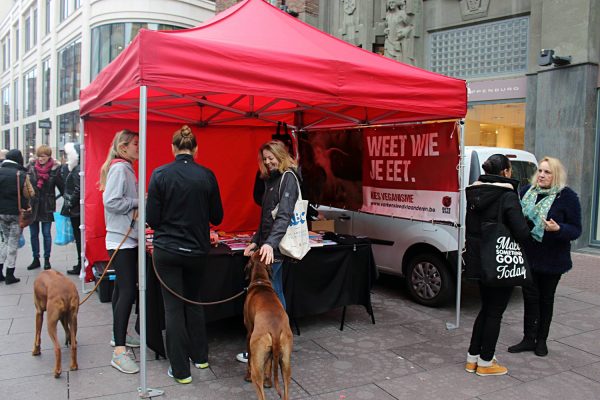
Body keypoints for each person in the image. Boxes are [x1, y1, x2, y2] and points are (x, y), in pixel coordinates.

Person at [146, 125, 224, 384]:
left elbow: (153, 220)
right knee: (194, 303)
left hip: (167, 251)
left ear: (173, 148)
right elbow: (217, 217)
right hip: (196, 251)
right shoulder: (207, 175)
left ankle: (180, 371)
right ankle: (200, 357)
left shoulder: (159, 174)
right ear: (196, 150)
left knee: (173, 309)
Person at [464, 154, 531, 376]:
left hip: (480, 260)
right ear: (505, 171)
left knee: (486, 309)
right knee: (495, 312)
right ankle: (485, 362)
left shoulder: (474, 193)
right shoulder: (507, 196)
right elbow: (521, 232)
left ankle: (472, 358)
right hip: (500, 261)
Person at [508, 157, 582, 357]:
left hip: (552, 260)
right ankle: (527, 338)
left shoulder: (567, 197)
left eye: (547, 172)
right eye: (540, 170)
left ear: (555, 175)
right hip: (527, 257)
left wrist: (559, 229)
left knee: (545, 300)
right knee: (530, 299)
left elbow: (576, 230)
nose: (541, 175)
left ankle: (541, 341)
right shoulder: (525, 192)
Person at [237, 140, 301, 364]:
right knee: (275, 292)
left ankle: (275, 341)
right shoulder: (272, 180)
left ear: (280, 154)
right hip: (269, 246)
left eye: (271, 157)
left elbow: (284, 216)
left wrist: (269, 244)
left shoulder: (288, 178)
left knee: (274, 295)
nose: (268, 161)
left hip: (277, 248)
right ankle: (278, 341)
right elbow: (266, 218)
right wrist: (256, 241)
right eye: (264, 159)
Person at [100, 129, 141, 374]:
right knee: (126, 291)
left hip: (122, 238)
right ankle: (119, 351)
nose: (139, 147)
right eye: (135, 144)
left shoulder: (123, 167)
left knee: (120, 290)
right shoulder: (120, 168)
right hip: (121, 240)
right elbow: (111, 201)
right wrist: (140, 202)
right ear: (123, 147)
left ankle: (120, 335)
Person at [26, 145, 64, 271]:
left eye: (43, 156)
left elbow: (62, 187)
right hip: (33, 206)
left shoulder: (54, 169)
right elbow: (24, 184)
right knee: (33, 234)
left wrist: (67, 202)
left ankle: (47, 259)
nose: (40, 158)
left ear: (49, 156)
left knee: (46, 234)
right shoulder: (31, 168)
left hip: (47, 206)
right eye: (39, 156)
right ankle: (35, 258)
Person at [0, 149, 35, 284]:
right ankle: (10, 274)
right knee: (13, 242)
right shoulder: (20, 174)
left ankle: (0, 272)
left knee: (4, 240)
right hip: (15, 213)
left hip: (1, 213)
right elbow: (29, 193)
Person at [62, 143, 82, 275]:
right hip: (77, 209)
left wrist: (70, 203)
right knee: (78, 238)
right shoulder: (77, 168)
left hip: (76, 210)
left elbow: (78, 189)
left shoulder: (76, 170)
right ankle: (80, 263)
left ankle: (80, 264)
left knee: (79, 238)